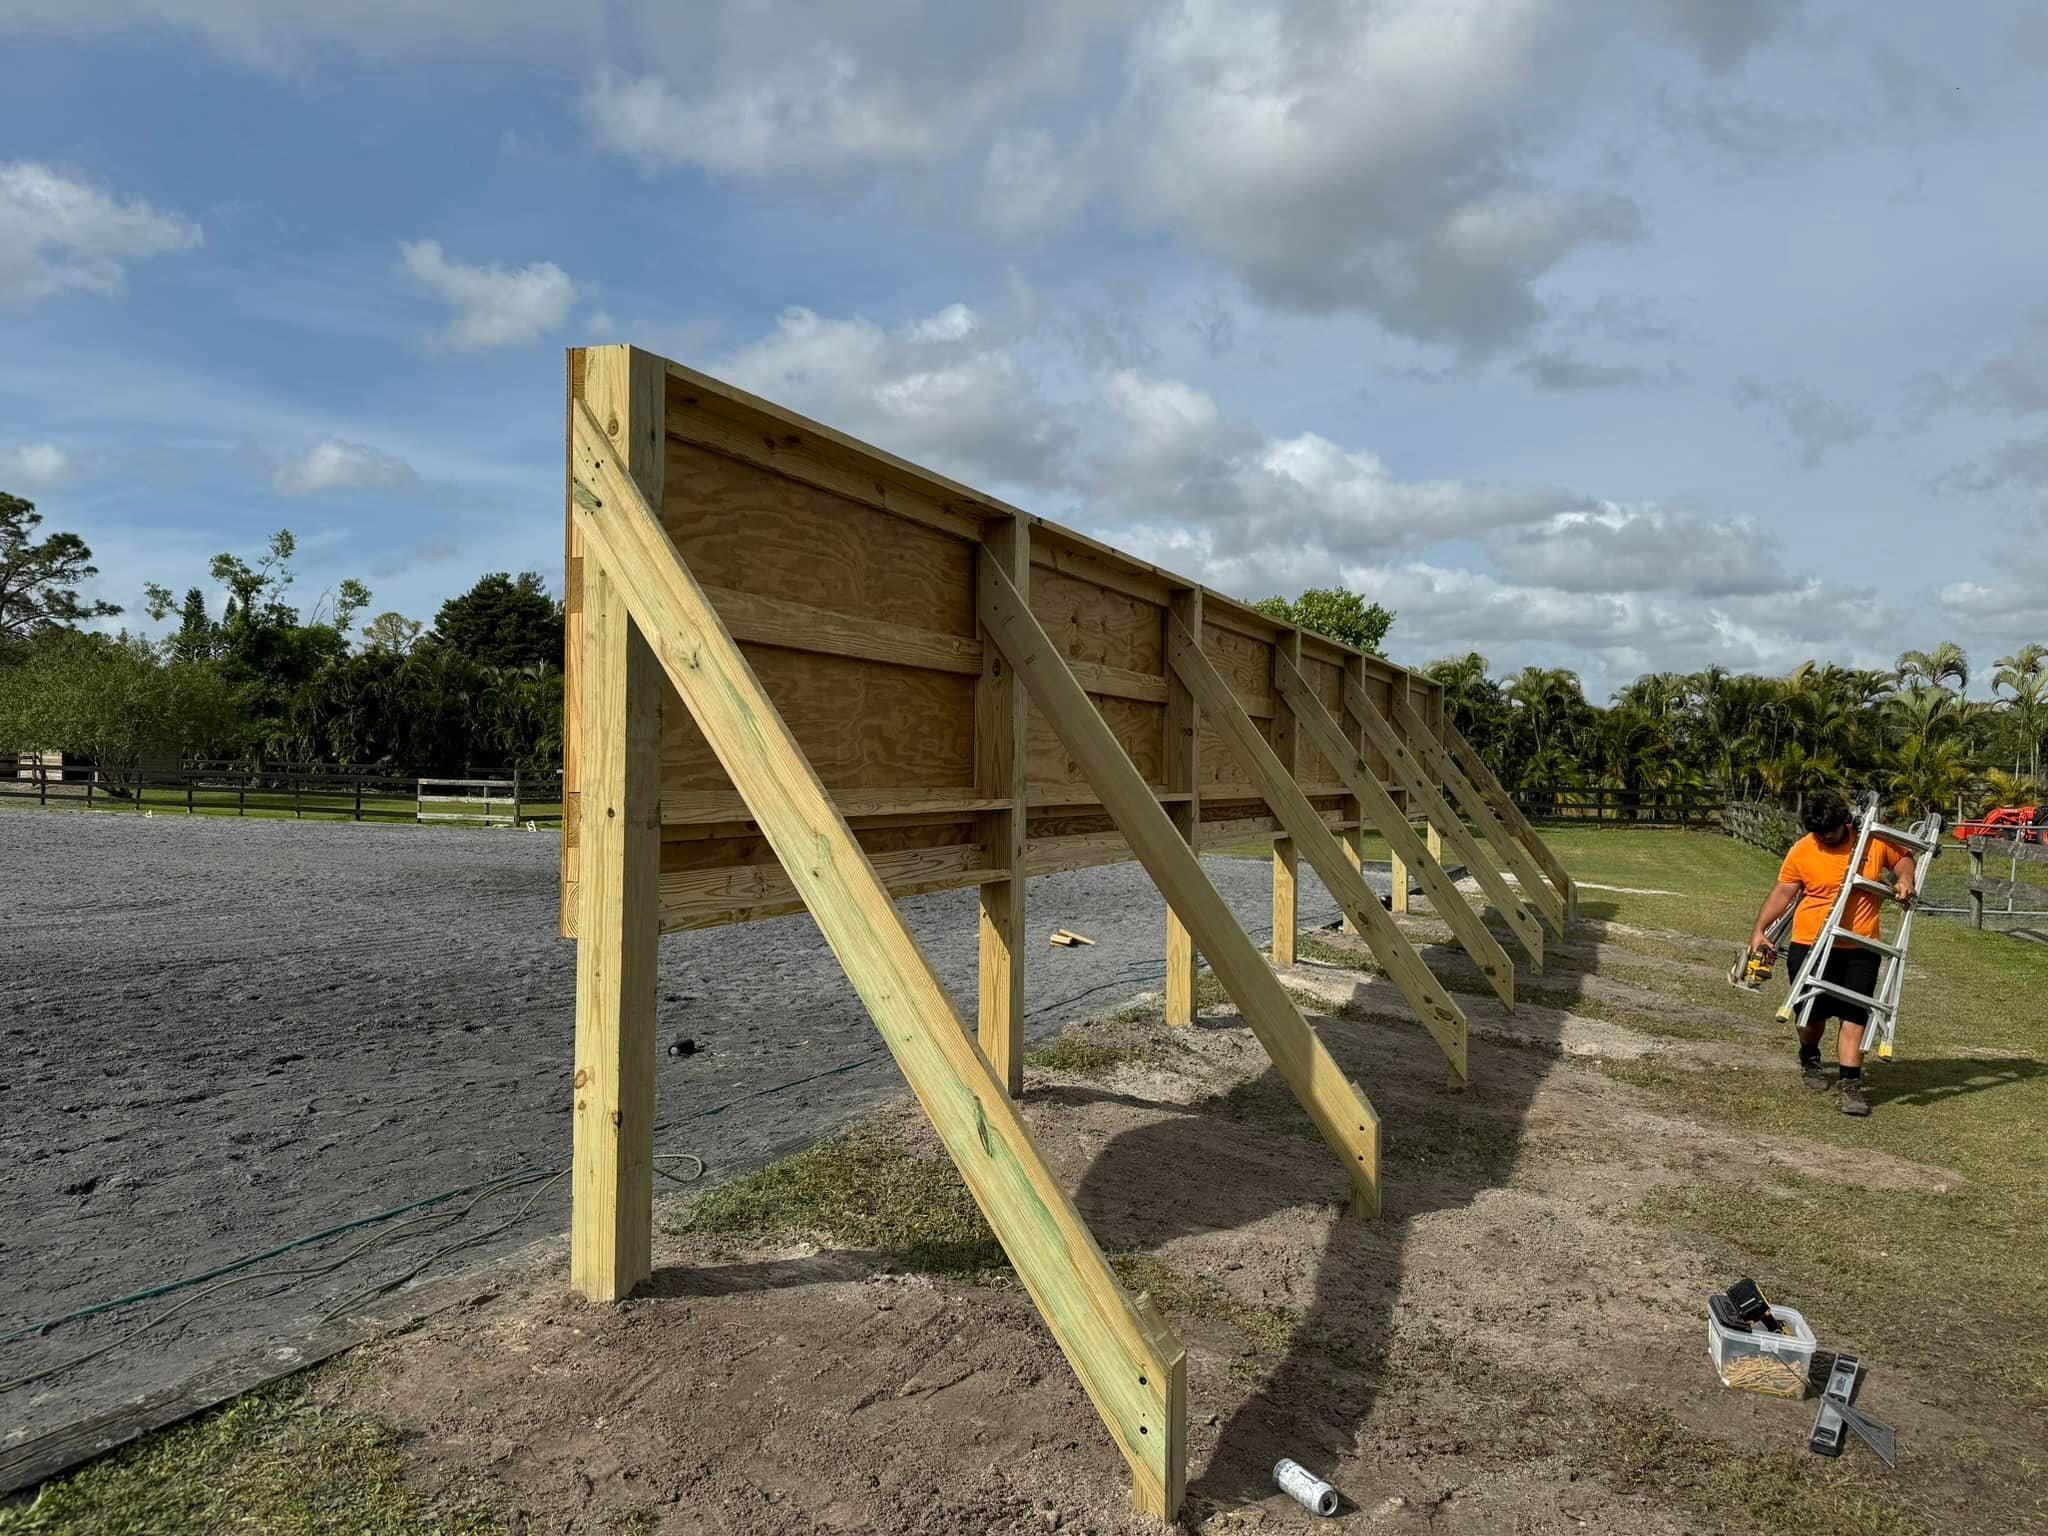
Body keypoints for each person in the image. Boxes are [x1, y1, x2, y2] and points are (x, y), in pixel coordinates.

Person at [1747, 789, 1917, 1117]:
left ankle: (1850, 1086)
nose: (1825, 839)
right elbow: (1783, 893)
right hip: (1810, 944)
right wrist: (1759, 931)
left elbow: (1904, 858)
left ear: (1845, 822)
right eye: (1819, 834)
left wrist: (1905, 878)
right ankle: (1809, 1055)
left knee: (1855, 1017)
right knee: (1811, 1016)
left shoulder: (1872, 840)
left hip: (1861, 946)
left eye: (1831, 833)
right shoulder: (1803, 850)